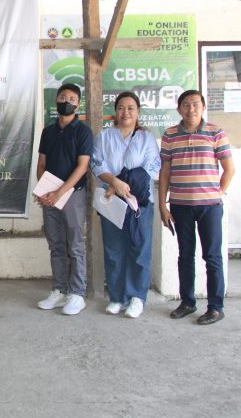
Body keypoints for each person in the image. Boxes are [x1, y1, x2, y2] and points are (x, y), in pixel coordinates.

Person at [159, 90, 234, 325]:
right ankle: (187, 302)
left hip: (209, 207)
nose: (190, 109)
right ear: (179, 108)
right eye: (186, 104)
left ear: (203, 107)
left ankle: (216, 307)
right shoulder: (170, 135)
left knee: (212, 257)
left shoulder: (215, 132)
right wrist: (163, 205)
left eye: (195, 104)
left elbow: (229, 169)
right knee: (185, 255)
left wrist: (217, 193)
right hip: (180, 205)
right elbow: (165, 172)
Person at [91, 92, 161, 318]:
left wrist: (121, 184)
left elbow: (152, 166)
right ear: (115, 111)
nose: (126, 112)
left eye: (131, 108)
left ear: (138, 112)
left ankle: (136, 297)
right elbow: (96, 163)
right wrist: (114, 183)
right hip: (112, 202)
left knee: (139, 250)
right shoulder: (104, 136)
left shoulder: (146, 138)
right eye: (121, 107)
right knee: (114, 250)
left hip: (139, 203)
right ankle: (117, 297)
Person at [35, 83, 93, 315]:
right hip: (49, 197)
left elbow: (82, 167)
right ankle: (59, 290)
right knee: (56, 244)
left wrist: (59, 193)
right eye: (62, 97)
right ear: (56, 101)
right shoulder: (48, 131)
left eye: (71, 99)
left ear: (78, 104)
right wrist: (43, 191)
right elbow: (41, 164)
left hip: (73, 195)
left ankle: (77, 294)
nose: (66, 102)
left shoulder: (83, 131)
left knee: (75, 245)